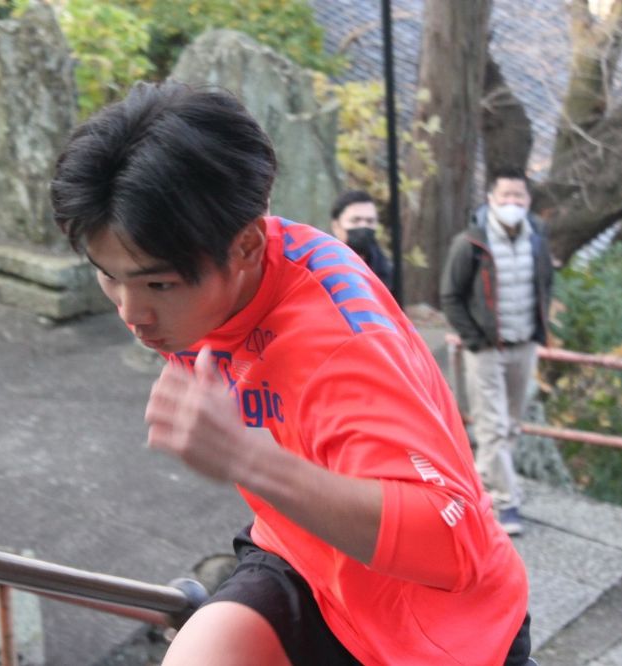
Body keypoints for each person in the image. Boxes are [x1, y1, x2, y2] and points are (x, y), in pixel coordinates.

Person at [52, 81, 532, 665]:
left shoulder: (340, 344)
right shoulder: (202, 273)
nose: (132, 314)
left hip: (438, 628)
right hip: (303, 557)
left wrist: (248, 460)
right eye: (109, 276)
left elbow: (454, 543)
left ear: (247, 247)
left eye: (157, 284)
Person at [439, 166, 553, 537]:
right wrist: (473, 338)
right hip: (486, 348)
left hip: (524, 343)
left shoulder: (537, 238)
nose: (512, 202)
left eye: (518, 196)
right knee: (493, 427)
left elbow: (545, 284)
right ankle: (506, 502)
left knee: (512, 424)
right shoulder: (471, 243)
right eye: (506, 196)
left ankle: (480, 487)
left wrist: (539, 331)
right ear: (491, 199)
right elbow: (450, 295)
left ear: (528, 200)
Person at [329, 190, 394, 292]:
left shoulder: (386, 271)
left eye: (370, 221)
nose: (363, 226)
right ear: (336, 226)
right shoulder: (321, 266)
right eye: (355, 220)